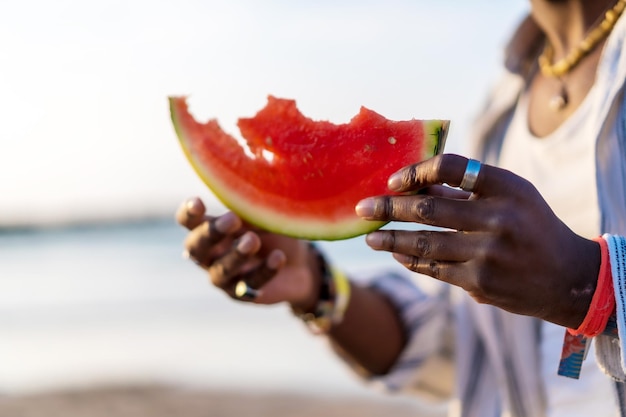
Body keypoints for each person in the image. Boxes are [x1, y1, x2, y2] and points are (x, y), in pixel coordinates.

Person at [176, 0, 626, 416]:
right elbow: (460, 350)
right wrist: (314, 286)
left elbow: (577, 285)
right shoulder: (505, 100)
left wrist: (590, 286)